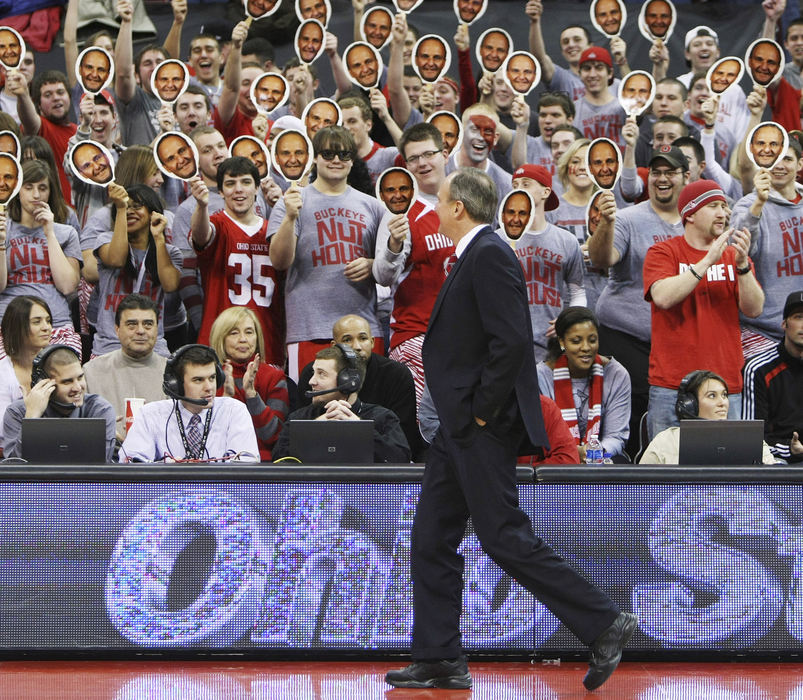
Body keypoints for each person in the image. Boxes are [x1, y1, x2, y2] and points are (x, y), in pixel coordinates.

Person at [385, 168, 634, 691]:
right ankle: (438, 656)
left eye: (440, 201)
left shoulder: (491, 254)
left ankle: (604, 621)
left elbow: (512, 342)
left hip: (480, 427)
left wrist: (479, 413)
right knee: (431, 538)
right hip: (455, 431)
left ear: (459, 208)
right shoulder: (475, 254)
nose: (433, 210)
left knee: (503, 536)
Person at [587, 145, 688, 457]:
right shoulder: (628, 218)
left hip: (676, 338)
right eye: (656, 172)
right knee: (631, 409)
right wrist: (605, 222)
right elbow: (602, 258)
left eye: (670, 172)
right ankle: (623, 475)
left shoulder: (696, 221)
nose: (662, 178)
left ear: (686, 176)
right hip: (626, 334)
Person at [643, 180, 764, 439]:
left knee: (725, 474)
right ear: (690, 214)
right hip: (672, 385)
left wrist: (743, 267)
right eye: (713, 206)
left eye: (724, 206)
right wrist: (707, 260)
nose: (723, 213)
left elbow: (754, 309)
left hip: (725, 385)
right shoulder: (663, 252)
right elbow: (663, 297)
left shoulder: (734, 256)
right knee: (664, 474)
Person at [268, 126, 384, 382]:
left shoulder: (373, 206)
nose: (336, 160)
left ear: (353, 161)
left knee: (367, 411)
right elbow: (279, 261)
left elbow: (390, 266)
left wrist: (373, 263)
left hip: (363, 330)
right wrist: (289, 217)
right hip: (309, 329)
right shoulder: (292, 201)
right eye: (328, 153)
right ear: (315, 158)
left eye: (344, 154)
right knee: (309, 412)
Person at [373, 123, 455, 407]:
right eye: (413, 158)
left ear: (445, 154)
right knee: (422, 433)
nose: (422, 163)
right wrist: (394, 245)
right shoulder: (401, 210)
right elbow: (383, 276)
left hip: (462, 339)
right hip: (416, 337)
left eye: (428, 154)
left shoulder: (465, 203)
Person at [190, 156, 285, 367]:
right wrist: (201, 205)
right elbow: (201, 236)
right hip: (220, 344)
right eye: (230, 184)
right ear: (221, 191)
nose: (238, 189)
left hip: (268, 339)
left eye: (246, 182)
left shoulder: (274, 230)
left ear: (257, 187)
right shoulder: (215, 222)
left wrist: (283, 210)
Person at [296, 313, 421, 460]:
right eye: (347, 340)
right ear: (334, 346)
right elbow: (284, 455)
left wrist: (359, 430)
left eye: (363, 338)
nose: (357, 346)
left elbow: (403, 446)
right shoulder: (313, 374)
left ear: (373, 342)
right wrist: (313, 429)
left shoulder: (396, 375)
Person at [120, 344, 260, 462]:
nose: (209, 387)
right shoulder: (151, 414)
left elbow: (248, 463)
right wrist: (166, 469)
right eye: (198, 380)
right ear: (177, 385)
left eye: (212, 378)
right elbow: (130, 461)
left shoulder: (234, 411)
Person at [0, 160, 82, 357]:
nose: (36, 195)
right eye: (28, 188)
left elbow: (68, 286)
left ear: (50, 192)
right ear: (17, 191)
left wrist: (50, 234)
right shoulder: (4, 228)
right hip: (9, 324)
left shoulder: (66, 233)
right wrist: (1, 244)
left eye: (42, 188)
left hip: (56, 325)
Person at [275, 345, 410, 462]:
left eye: (321, 374)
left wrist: (360, 430)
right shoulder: (299, 419)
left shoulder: (382, 418)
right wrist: (313, 429)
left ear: (348, 381)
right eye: (313, 373)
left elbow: (401, 459)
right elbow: (278, 460)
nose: (311, 381)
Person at [731, 141, 803, 359]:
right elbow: (737, 253)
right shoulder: (747, 205)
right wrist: (759, 205)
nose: (779, 165)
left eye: (787, 159)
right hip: (761, 331)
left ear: (800, 164)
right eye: (773, 159)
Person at [506, 164, 585, 361]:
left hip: (551, 346)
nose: (519, 189)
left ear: (546, 191)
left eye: (526, 183)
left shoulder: (566, 240)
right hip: (508, 343)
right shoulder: (499, 238)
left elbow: (578, 291)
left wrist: (569, 320)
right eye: (515, 185)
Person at [93, 184, 182, 357]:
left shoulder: (170, 252)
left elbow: (170, 285)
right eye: (126, 206)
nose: (129, 211)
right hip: (110, 344)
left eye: (136, 206)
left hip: (153, 345)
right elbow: (117, 259)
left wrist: (158, 238)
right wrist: (120, 208)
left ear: (152, 212)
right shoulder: (105, 241)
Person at [537, 306, 631, 462]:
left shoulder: (616, 375)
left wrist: (593, 452)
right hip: (557, 458)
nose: (586, 348)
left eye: (592, 340)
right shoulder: (541, 376)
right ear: (562, 342)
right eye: (576, 341)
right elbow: (543, 437)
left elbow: (616, 436)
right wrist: (572, 452)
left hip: (602, 457)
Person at [2, 346, 116, 462]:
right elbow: (14, 469)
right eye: (67, 382)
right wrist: (31, 418)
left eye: (80, 377)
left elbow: (100, 468)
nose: (77, 387)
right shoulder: (17, 412)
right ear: (44, 383)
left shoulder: (100, 410)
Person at [640, 370, 775, 464]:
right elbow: (642, 488)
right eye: (712, 395)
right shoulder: (665, 441)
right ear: (690, 404)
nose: (722, 402)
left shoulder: (748, 439)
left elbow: (770, 479)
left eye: (724, 395)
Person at [84, 294, 168, 442]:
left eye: (148, 324)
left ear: (157, 329)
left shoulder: (173, 373)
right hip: (106, 456)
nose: (141, 331)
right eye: (132, 324)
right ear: (117, 329)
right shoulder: (91, 372)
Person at [209, 306, 289, 461]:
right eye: (234, 333)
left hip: (262, 464)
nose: (243, 339)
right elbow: (206, 436)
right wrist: (226, 399)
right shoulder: (209, 376)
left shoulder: (274, 377)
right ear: (221, 337)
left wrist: (252, 395)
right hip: (217, 462)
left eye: (249, 332)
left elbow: (273, 435)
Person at [743, 291, 803, 464]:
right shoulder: (758, 369)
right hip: (779, 458)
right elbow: (752, 439)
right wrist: (790, 449)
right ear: (784, 324)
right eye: (798, 317)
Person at [0, 296, 53, 451]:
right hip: (10, 457)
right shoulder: (3, 372)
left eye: (48, 320)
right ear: (17, 326)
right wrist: (31, 411)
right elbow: (4, 430)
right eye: (37, 322)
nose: (46, 327)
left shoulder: (59, 366)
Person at [573, 47, 625, 149]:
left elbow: (649, 108)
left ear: (610, 73)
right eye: (587, 68)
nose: (592, 74)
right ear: (580, 74)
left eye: (599, 67)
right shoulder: (573, 110)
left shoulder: (624, 108)